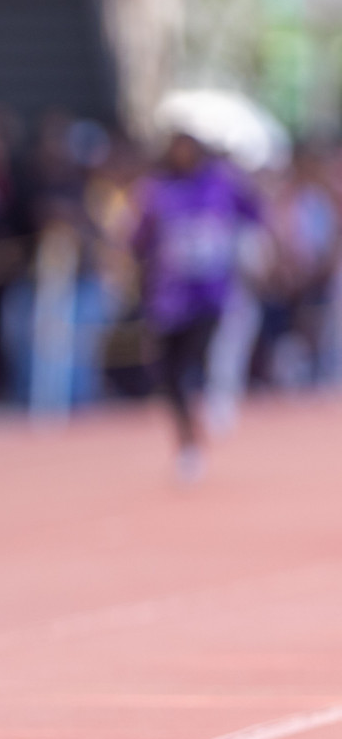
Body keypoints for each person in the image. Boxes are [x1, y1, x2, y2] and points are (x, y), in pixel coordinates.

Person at [131, 129, 261, 483]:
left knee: (204, 356)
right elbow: (137, 238)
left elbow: (255, 214)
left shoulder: (222, 184)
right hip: (168, 300)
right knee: (168, 373)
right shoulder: (156, 191)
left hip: (212, 295)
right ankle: (187, 440)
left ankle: (219, 398)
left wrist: (251, 252)